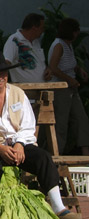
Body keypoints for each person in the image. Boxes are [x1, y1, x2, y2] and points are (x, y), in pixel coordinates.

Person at [0, 51, 81, 219]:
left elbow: (28, 124)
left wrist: (19, 144)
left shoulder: (18, 93)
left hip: (16, 143)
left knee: (43, 158)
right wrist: (0, 147)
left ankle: (58, 207)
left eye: (2, 73)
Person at [48, 18, 89, 155]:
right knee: (61, 122)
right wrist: (69, 80)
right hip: (61, 89)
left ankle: (85, 153)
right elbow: (53, 67)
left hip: (71, 89)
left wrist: (78, 70)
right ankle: (57, 154)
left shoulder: (68, 45)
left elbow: (68, 64)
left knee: (81, 119)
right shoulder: (59, 45)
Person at [3, 13, 51, 82]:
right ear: (34, 28)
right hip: (26, 89)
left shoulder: (36, 41)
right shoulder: (13, 41)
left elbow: (39, 63)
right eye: (42, 28)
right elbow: (6, 63)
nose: (43, 30)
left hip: (42, 87)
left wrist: (47, 69)